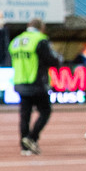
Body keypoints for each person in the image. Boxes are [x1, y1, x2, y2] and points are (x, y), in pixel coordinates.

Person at [9, 17, 62, 156]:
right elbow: (50, 59)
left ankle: (24, 146)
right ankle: (32, 138)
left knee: (25, 114)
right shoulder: (39, 39)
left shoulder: (15, 41)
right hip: (36, 81)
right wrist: (58, 60)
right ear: (41, 27)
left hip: (20, 80)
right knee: (45, 111)